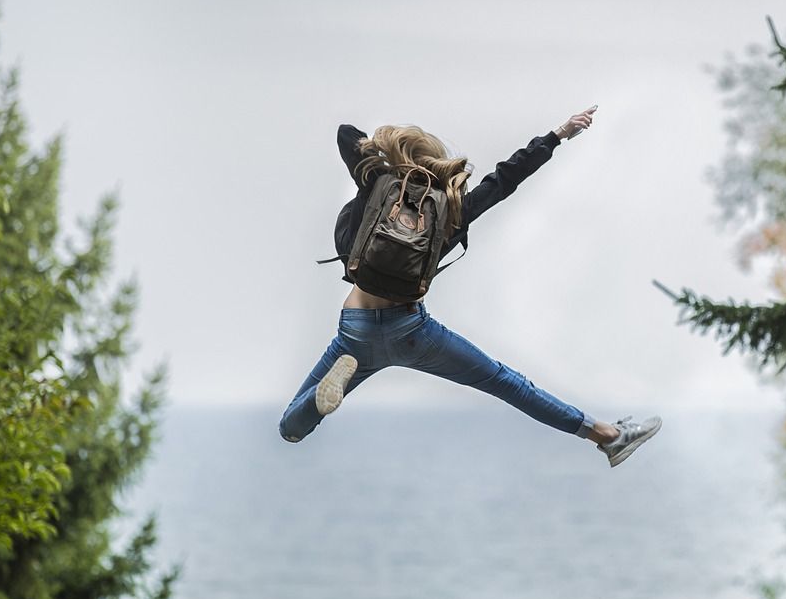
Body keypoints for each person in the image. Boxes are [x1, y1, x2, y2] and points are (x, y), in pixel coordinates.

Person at [277, 105, 662, 468]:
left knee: (290, 428)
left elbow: (347, 134)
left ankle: (321, 399)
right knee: (507, 383)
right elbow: (505, 180)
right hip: (411, 330)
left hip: (356, 330)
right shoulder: (451, 208)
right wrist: (557, 135)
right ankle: (607, 436)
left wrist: (386, 152)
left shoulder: (376, 183)